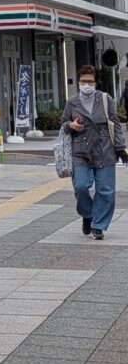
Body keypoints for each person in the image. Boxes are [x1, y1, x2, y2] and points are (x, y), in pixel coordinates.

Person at [61, 65, 125, 240]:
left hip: (105, 150)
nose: (86, 85)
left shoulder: (105, 99)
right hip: (80, 151)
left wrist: (120, 148)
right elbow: (64, 124)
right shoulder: (72, 102)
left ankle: (99, 226)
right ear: (78, 82)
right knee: (81, 187)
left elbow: (116, 124)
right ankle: (87, 215)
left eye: (90, 81)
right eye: (83, 81)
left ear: (96, 82)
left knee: (106, 191)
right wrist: (71, 126)